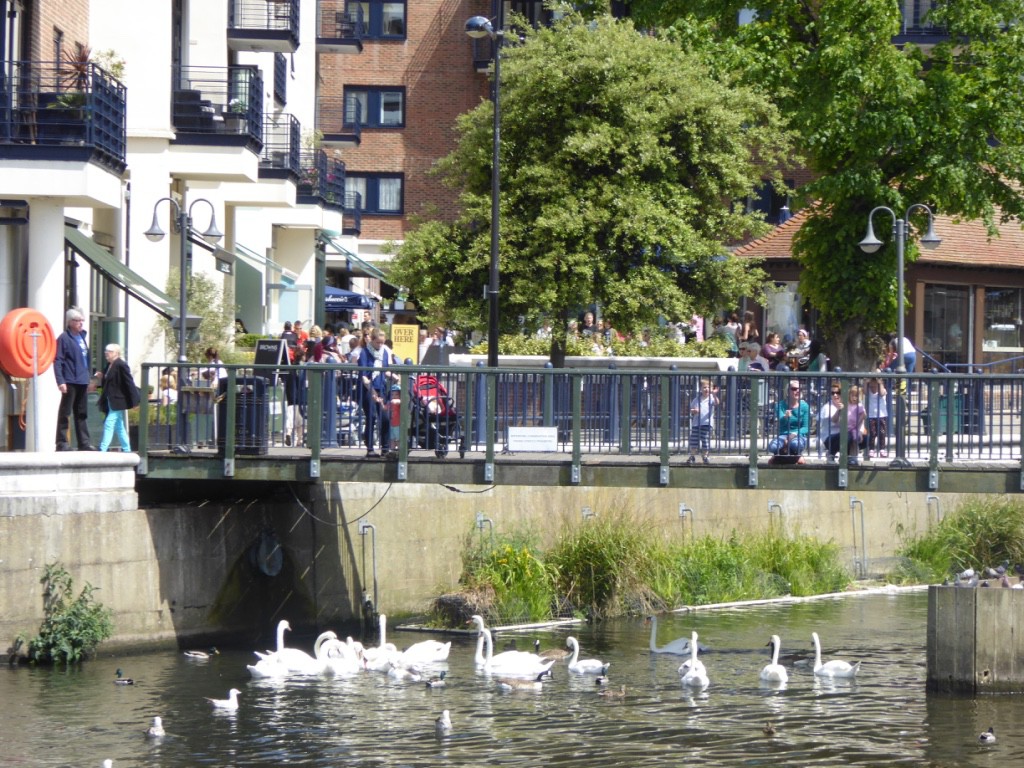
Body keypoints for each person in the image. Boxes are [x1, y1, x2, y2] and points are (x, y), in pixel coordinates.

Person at [54, 307, 98, 451]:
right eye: (77, 320)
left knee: (81, 412)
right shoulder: (64, 338)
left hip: (82, 380)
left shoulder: (82, 337)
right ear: (70, 322)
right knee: (65, 412)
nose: (81, 323)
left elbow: (86, 360)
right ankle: (62, 442)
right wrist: (60, 381)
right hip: (70, 380)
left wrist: (89, 378)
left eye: (82, 320)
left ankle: (84, 443)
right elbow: (58, 360)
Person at [358, 329, 399, 457]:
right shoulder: (365, 353)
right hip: (368, 389)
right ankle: (370, 448)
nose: (380, 345)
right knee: (371, 417)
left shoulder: (384, 353)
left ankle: (385, 448)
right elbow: (364, 376)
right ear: (372, 340)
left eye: (382, 342)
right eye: (378, 342)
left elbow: (384, 370)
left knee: (385, 418)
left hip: (381, 388)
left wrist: (395, 377)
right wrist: (372, 392)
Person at [97, 344, 138, 452]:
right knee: (119, 426)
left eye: (109, 351)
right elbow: (109, 382)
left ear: (116, 353)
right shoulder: (109, 365)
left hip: (118, 400)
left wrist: (134, 401)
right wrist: (102, 376)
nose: (106, 353)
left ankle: (103, 448)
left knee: (109, 423)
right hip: (110, 399)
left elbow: (129, 382)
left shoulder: (121, 365)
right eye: (106, 350)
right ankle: (127, 448)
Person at [768, 380, 810, 463]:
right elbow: (781, 423)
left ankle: (779, 456)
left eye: (799, 389)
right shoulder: (780, 405)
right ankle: (796, 457)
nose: (797, 391)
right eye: (794, 389)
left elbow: (805, 427)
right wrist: (785, 417)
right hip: (783, 434)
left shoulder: (805, 406)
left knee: (795, 445)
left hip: (798, 435)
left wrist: (793, 434)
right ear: (788, 391)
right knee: (772, 447)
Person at [686, 379, 719, 465]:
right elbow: (691, 409)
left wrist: (714, 395)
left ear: (711, 389)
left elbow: (716, 403)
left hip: (707, 423)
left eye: (708, 387)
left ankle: (705, 456)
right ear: (700, 389)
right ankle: (692, 456)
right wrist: (694, 411)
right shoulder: (697, 399)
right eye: (704, 387)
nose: (706, 389)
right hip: (696, 423)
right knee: (694, 440)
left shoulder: (711, 398)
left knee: (705, 440)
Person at [865, 377, 888, 458]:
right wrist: (866, 382)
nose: (873, 388)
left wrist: (880, 383)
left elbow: (882, 393)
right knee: (872, 433)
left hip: (881, 415)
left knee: (882, 433)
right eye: (871, 387)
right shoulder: (869, 392)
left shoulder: (883, 390)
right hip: (872, 415)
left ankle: (882, 449)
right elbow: (865, 391)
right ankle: (871, 449)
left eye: (875, 387)